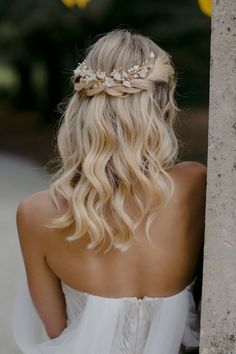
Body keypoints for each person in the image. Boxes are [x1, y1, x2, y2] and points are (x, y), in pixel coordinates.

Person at [12, 29, 206, 354]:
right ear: (161, 103)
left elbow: (57, 332)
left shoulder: (36, 214)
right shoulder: (195, 185)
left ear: (81, 106)